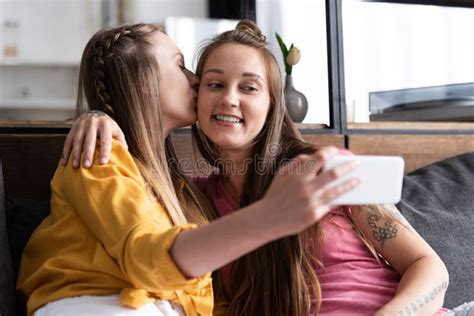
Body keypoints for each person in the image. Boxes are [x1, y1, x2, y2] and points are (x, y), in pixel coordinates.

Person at [61, 20, 450, 316]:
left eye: (248, 88)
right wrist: (102, 114)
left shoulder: (325, 168)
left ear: (271, 104)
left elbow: (430, 268)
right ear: (196, 100)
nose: (229, 99)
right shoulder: (196, 205)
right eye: (214, 84)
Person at [17, 23, 360, 316]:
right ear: (143, 83)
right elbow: (146, 255)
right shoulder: (98, 155)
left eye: (250, 87)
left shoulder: (187, 193)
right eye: (180, 66)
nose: (195, 79)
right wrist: (269, 216)